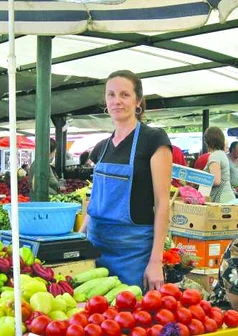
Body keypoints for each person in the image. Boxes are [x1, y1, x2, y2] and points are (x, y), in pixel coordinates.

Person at [80, 70, 172, 291]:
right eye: (111, 95)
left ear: (138, 101)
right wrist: (78, 238)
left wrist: (155, 261)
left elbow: (162, 204)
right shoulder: (101, 148)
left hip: (133, 251)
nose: (116, 101)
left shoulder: (154, 140)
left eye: (124, 95)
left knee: (130, 317)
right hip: (96, 246)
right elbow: (95, 200)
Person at [202, 127, 234, 203]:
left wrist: (198, 180)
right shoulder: (222, 154)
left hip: (220, 199)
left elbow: (216, 180)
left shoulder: (214, 156)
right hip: (227, 197)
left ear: (207, 141)